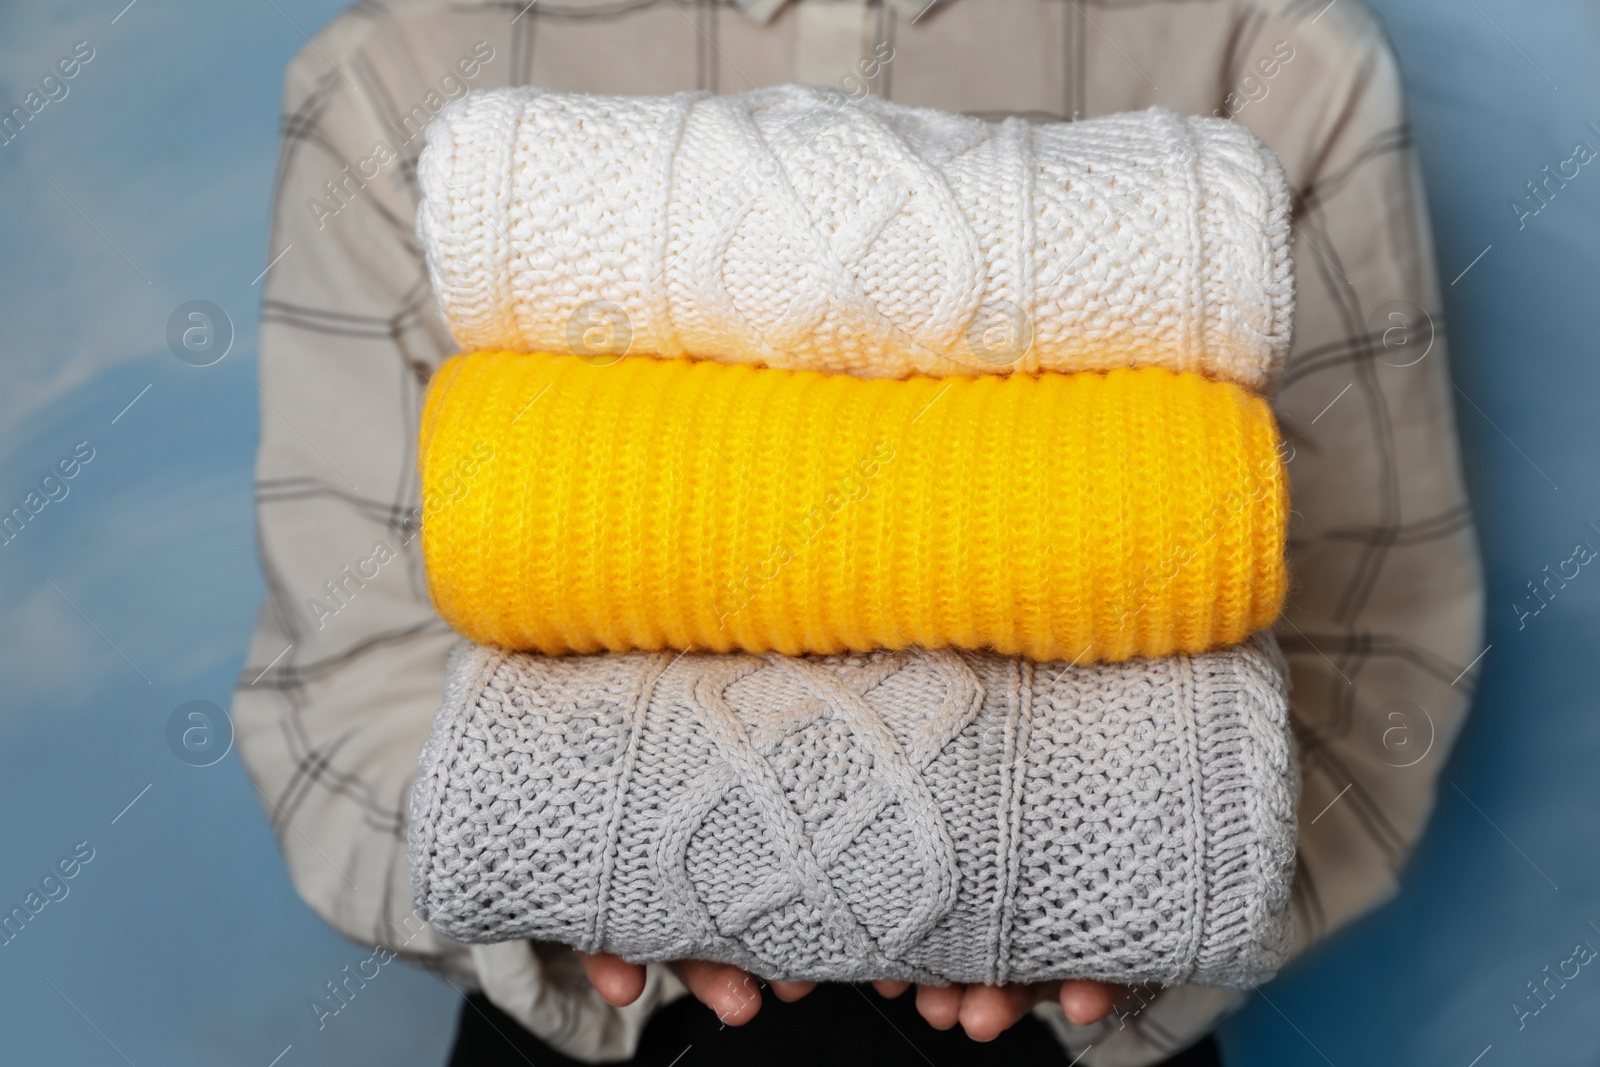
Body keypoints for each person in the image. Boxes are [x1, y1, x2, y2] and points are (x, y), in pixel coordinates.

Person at [233, 0, 1483, 1063]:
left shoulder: (1267, 45)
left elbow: (1384, 654)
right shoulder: (410, 63)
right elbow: (348, 692)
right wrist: (587, 880)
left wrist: (1127, 903)